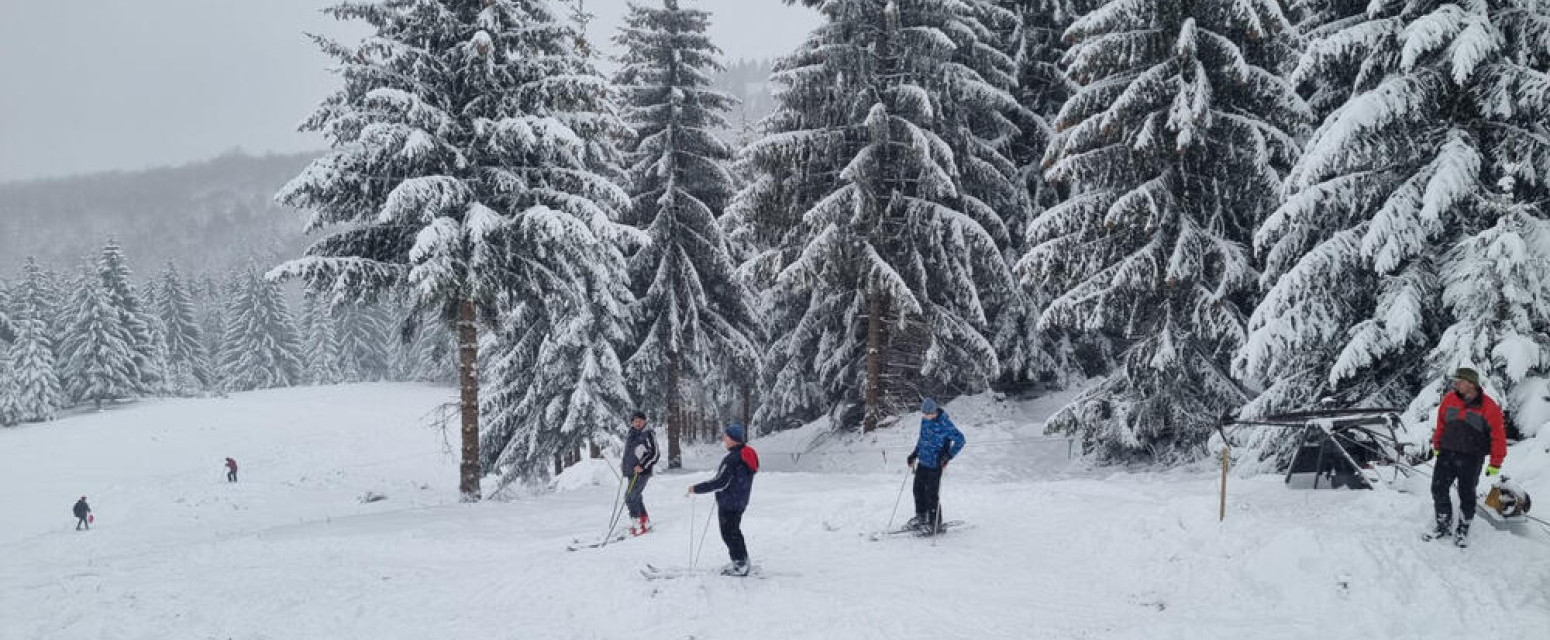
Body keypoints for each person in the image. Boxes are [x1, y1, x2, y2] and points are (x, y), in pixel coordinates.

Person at [1429, 367, 1508, 545]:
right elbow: (1441, 424)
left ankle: (1463, 528)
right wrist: (1437, 444)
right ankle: (1443, 523)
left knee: (1467, 494)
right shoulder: (1449, 399)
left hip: (1471, 458)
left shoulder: (1488, 406)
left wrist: (1496, 462)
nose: (1456, 384)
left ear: (1472, 384)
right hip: (1447, 454)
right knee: (1438, 489)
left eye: (1460, 381)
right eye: (1455, 380)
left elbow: (1498, 436)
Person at [687, 424, 759, 576]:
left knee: (729, 533)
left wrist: (696, 488)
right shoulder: (747, 453)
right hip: (739, 501)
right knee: (734, 531)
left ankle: (740, 564)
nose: (723, 439)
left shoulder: (732, 459)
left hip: (729, 503)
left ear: (733, 439)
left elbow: (720, 482)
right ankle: (742, 560)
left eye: (726, 436)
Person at [906, 398, 966, 534]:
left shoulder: (945, 424)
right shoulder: (925, 421)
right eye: (924, 414)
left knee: (931, 495)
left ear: (934, 412)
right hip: (923, 462)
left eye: (929, 414)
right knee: (918, 490)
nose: (926, 417)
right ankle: (921, 516)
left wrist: (948, 456)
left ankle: (934, 523)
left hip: (936, 464)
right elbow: (922, 439)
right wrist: (914, 454)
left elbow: (961, 440)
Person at [621, 411, 659, 535]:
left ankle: (637, 524)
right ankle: (644, 521)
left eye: (640, 420)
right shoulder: (632, 433)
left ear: (644, 421)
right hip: (631, 472)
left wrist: (642, 465)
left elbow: (655, 454)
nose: (637, 423)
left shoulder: (647, 434)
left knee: (629, 497)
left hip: (641, 472)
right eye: (635, 421)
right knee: (636, 497)